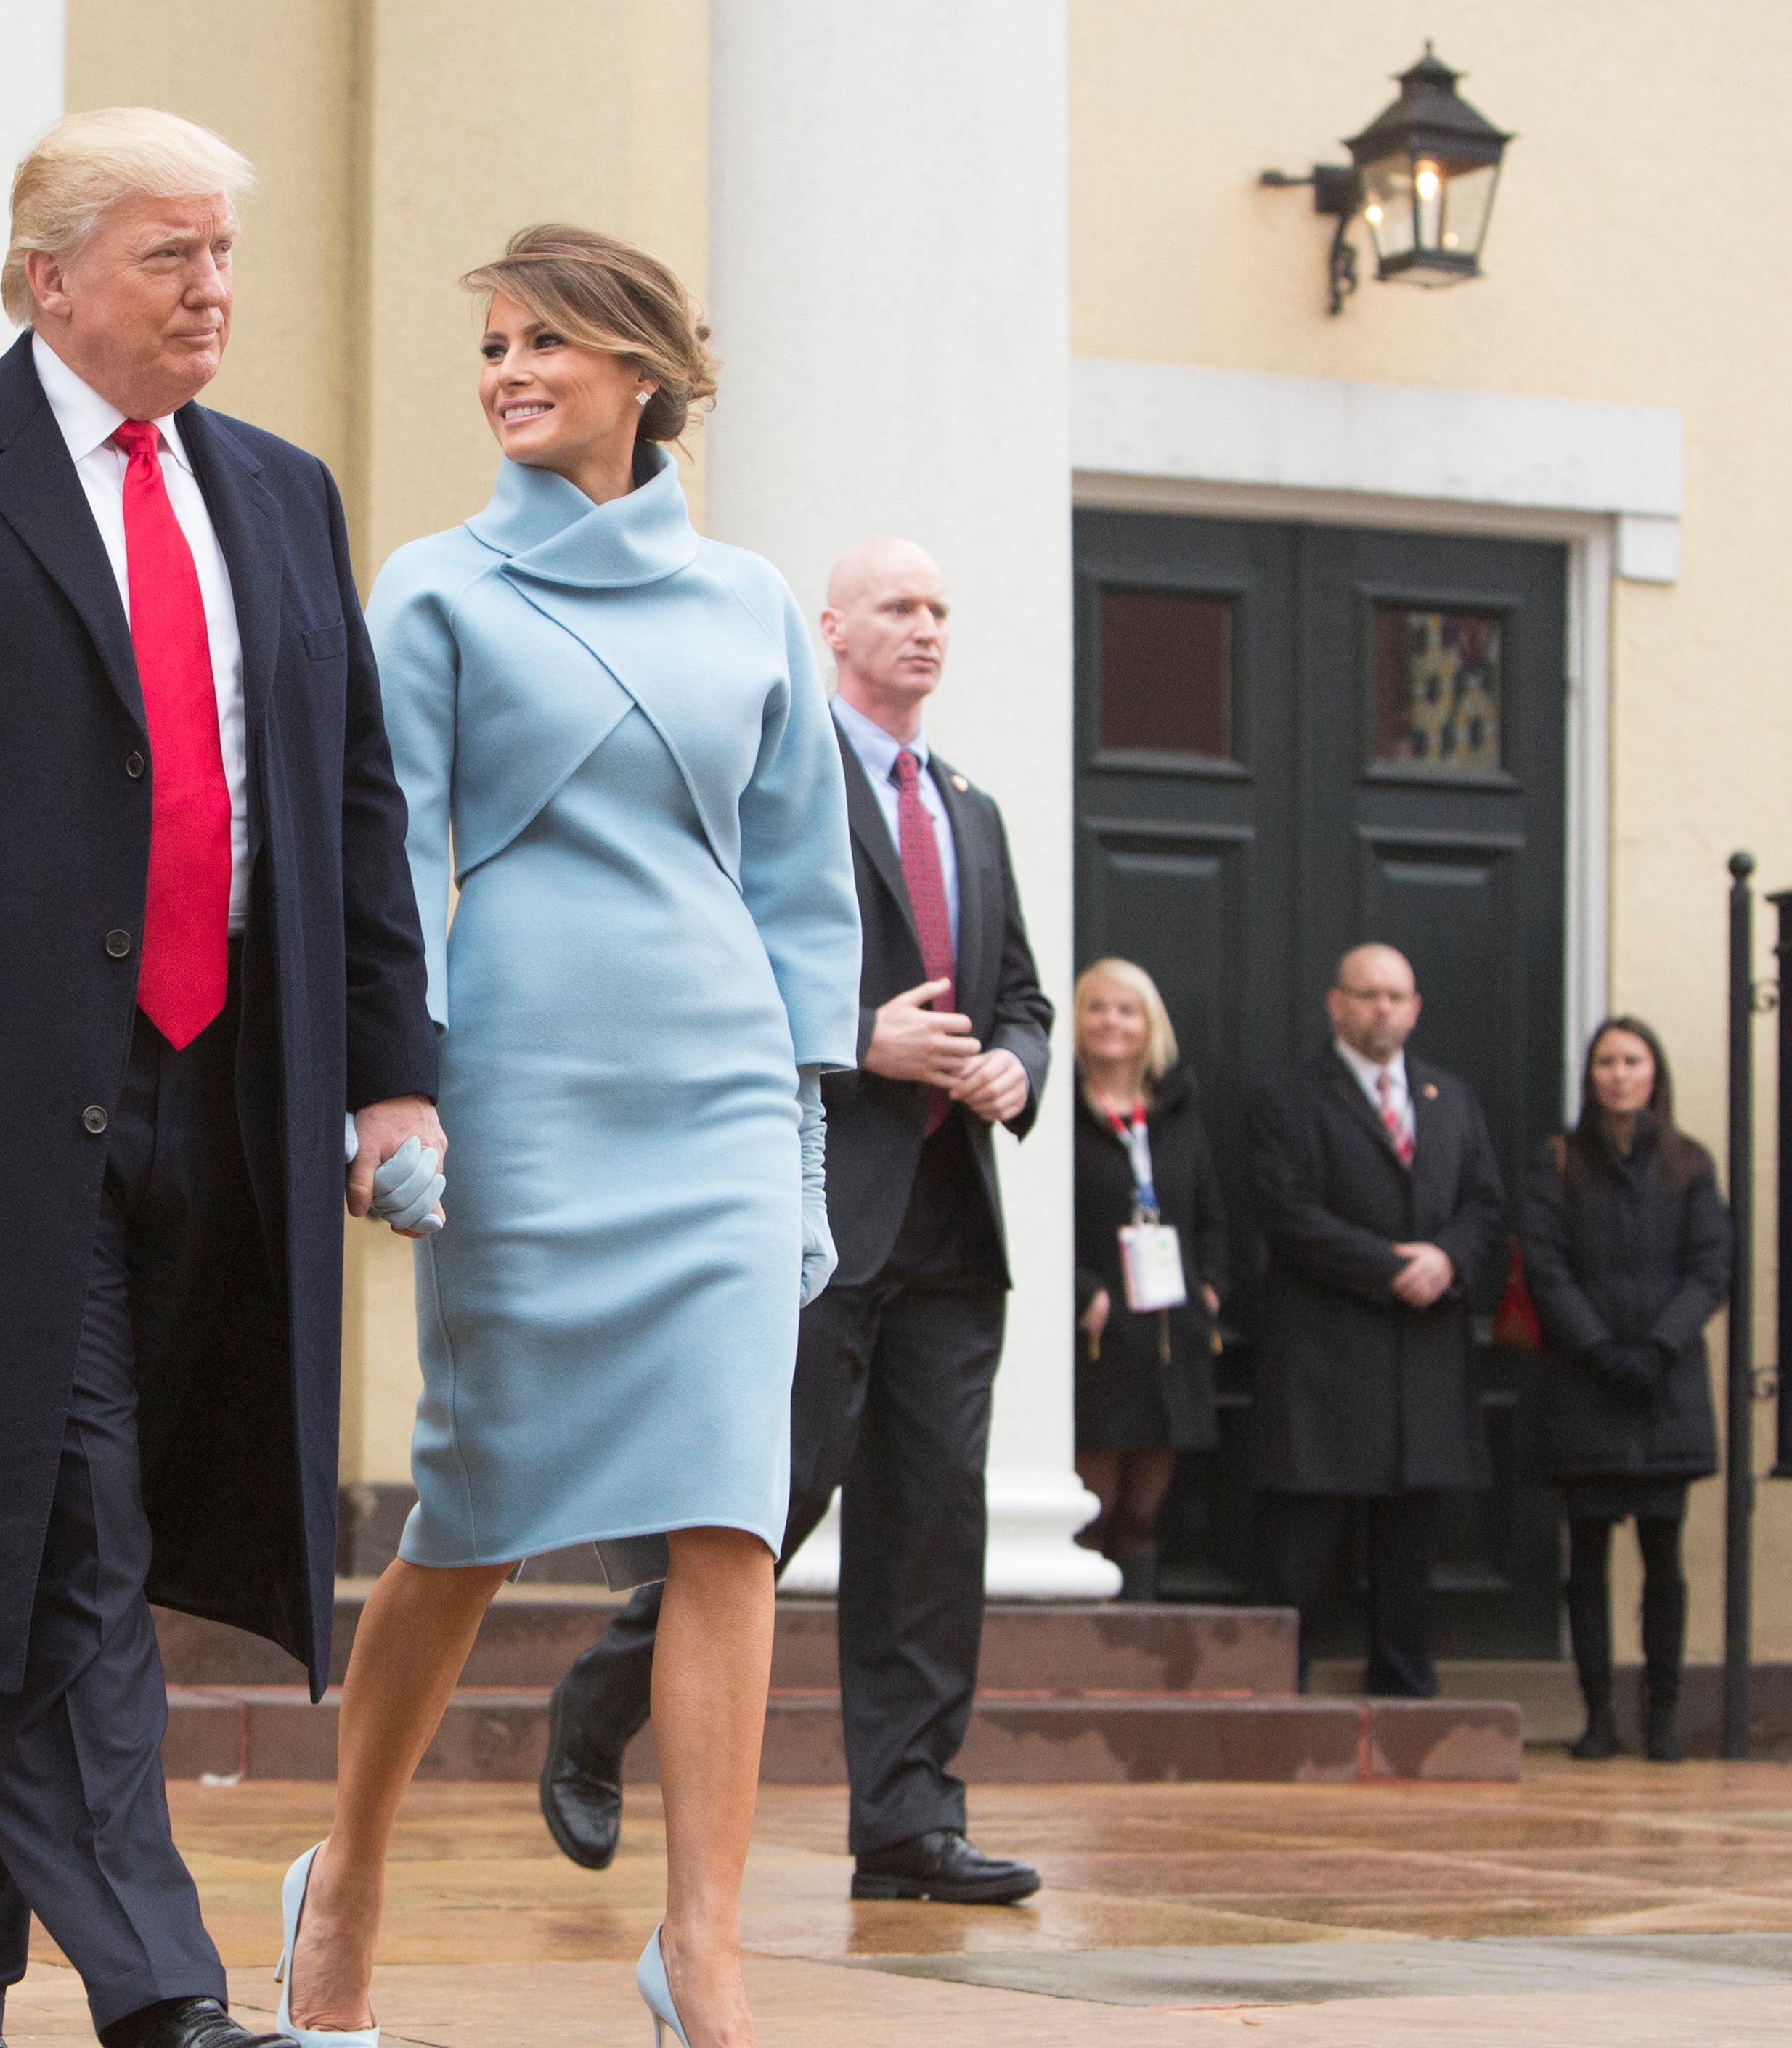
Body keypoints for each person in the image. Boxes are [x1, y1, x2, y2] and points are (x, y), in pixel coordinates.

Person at [0, 109, 441, 2048]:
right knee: (75, 1532)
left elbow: (354, 807)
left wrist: (391, 1065)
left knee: (32, 1541)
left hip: (220, 1099)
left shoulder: (284, 498)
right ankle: (170, 2000)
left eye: (226, 255)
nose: (213, 289)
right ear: (48, 277)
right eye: (170, 256)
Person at [277, 226, 857, 2048]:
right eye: (496, 342)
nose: (509, 369)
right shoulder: (435, 592)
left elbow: (796, 890)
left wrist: (797, 1139)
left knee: (726, 1518)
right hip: (521, 1084)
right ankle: (344, 1876)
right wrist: (402, 1094)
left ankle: (704, 1956)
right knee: (474, 1512)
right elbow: (398, 863)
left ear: (639, 372)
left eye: (546, 341)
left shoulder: (758, 602)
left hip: (707, 1092)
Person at [539, 534, 1054, 1912]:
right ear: (833, 627)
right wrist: (848, 1035)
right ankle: (598, 1708)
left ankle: (910, 1820)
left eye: (943, 608)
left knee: (935, 1527)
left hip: (953, 1214)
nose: (927, 629)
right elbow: (711, 954)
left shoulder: (971, 805)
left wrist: (1021, 1064)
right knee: (771, 1501)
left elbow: (1025, 997)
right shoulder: (785, 775)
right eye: (899, 606)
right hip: (818, 1193)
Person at [1246, 943, 1504, 1695]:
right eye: (1367, 994)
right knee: (1299, 1550)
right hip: (1325, 1365)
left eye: (1395, 995)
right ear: (1337, 1003)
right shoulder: (1287, 1096)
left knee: (1409, 1547)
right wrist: (1391, 1267)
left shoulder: (1449, 1098)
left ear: (1415, 1006)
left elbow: (1486, 1205)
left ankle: (1403, 1693)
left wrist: (1448, 1260)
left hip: (1422, 1363)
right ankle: (1274, 1695)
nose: (1382, 1008)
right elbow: (1286, 1212)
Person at [1520, 1017, 1728, 1763]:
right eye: (1605, 1061)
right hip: (1586, 1386)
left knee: (1663, 1559)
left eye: (1631, 1060)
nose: (1618, 1074)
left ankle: (1662, 1712)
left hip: (1665, 1392)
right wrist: (1603, 1349)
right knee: (1589, 1559)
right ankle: (1598, 1711)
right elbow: (1545, 1267)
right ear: (1591, 1075)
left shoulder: (1691, 1164)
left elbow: (1711, 1267)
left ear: (1653, 1072)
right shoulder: (1559, 1162)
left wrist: (1661, 1346)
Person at [1071, 959, 1229, 1602]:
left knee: (1142, 1513)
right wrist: (1080, 1292)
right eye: (1098, 1007)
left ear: (1149, 1024)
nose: (1112, 1021)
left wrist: (1212, 1285)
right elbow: (1038, 1215)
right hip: (1098, 1341)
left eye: (1127, 1009)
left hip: (1170, 1337)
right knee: (1092, 1511)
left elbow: (1212, 1215)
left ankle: (1131, 1655)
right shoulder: (1060, 1111)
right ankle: (1072, 1659)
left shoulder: (1177, 1113)